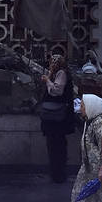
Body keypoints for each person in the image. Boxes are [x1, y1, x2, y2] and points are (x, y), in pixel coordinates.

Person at [38, 52, 75, 184]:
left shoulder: (61, 74)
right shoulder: (56, 73)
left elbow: (56, 91)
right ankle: (57, 173)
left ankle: (58, 174)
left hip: (57, 118)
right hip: (55, 118)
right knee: (55, 145)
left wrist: (47, 80)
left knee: (56, 145)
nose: (51, 65)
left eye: (54, 62)